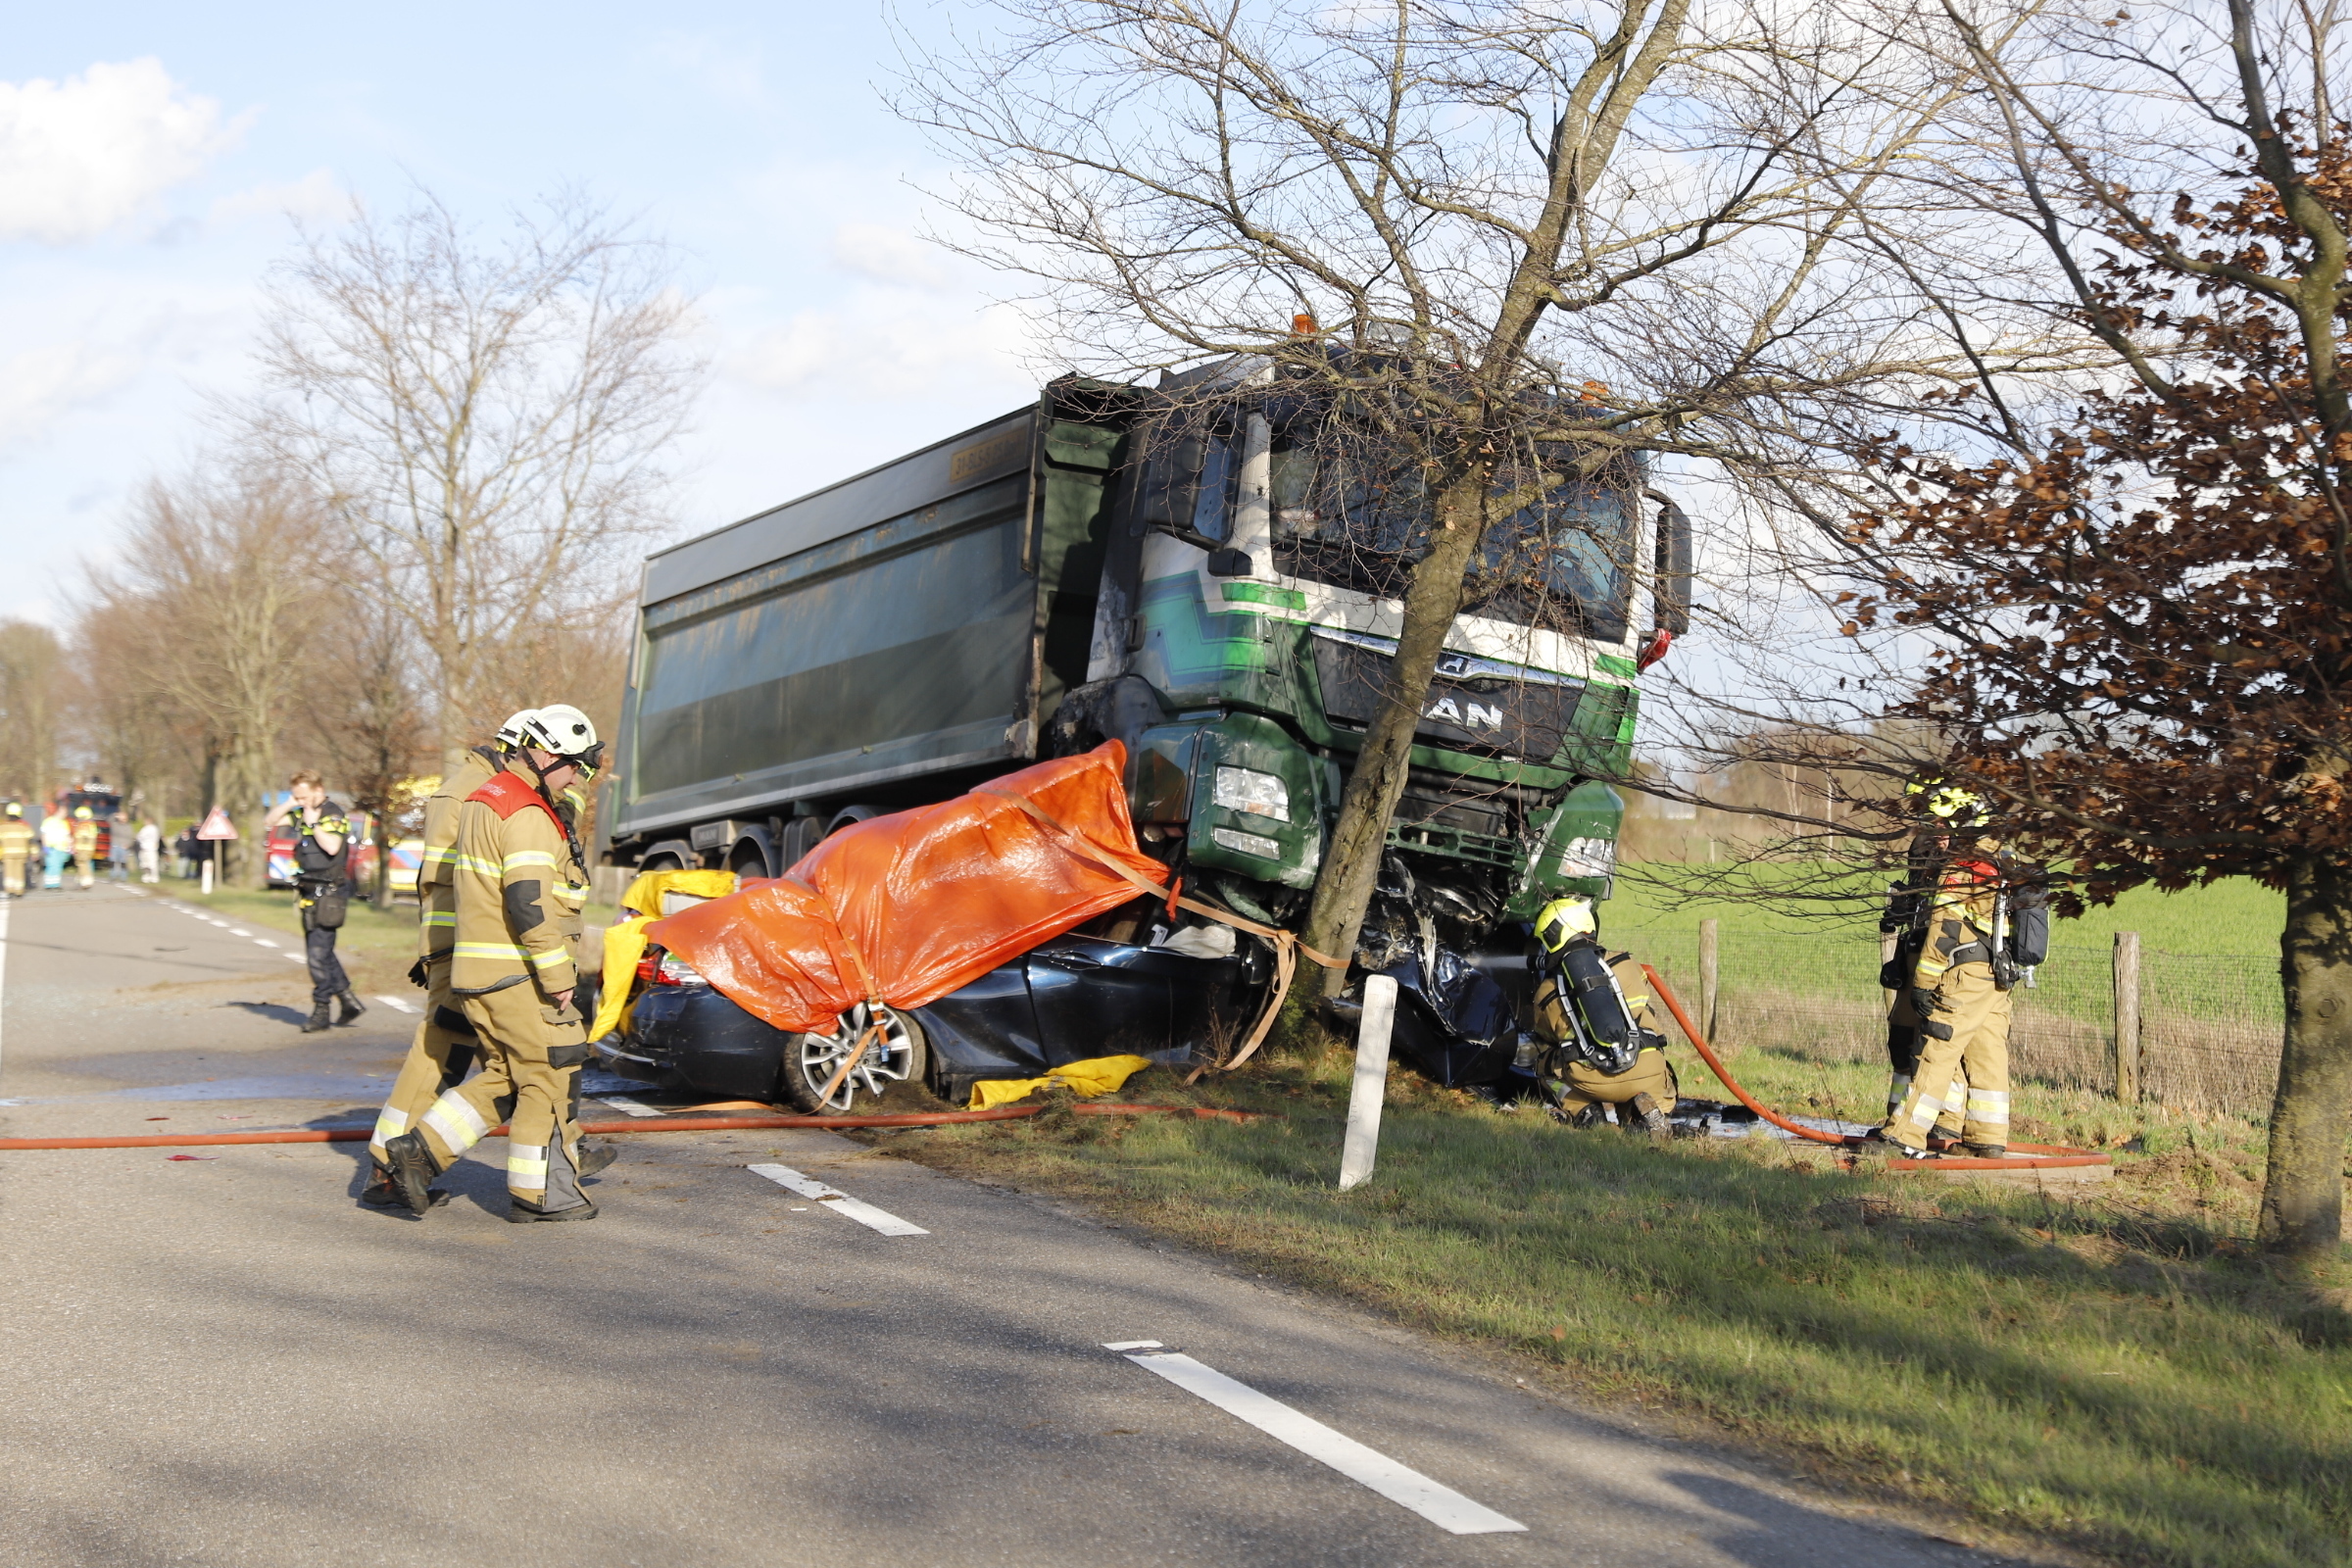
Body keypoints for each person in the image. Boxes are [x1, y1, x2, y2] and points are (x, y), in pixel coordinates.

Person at [382, 706, 611, 1222]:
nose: (578, 778)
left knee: (506, 1075)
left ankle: (416, 1154)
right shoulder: (525, 813)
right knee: (551, 1072)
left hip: (481, 972)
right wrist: (557, 980)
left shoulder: (486, 798)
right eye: (576, 765)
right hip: (517, 972)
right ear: (548, 752)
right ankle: (544, 1196)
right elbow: (528, 902)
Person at [363, 710, 537, 1206]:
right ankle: (392, 1169)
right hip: (467, 950)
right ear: (514, 749)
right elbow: (455, 883)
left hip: (461, 947)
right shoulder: (475, 793)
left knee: (486, 1056)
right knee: (453, 1055)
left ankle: (562, 1146)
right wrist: (450, 954)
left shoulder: (473, 786)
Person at [1874, 822, 2018, 1160]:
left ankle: (1904, 1137)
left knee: (1935, 1047)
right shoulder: (2005, 857)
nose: (1939, 837)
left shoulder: (1963, 865)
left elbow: (1945, 928)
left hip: (1963, 972)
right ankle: (1987, 1139)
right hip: (1997, 973)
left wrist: (1923, 983)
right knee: (1987, 1053)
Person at [1530, 896, 1678, 1135]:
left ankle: (1586, 1112)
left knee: (1543, 1063)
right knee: (1647, 1020)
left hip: (1591, 1080)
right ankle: (1644, 1110)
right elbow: (1642, 996)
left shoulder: (1547, 991)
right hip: (1646, 1071)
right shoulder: (1626, 963)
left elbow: (1543, 1032)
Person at [266, 772, 368, 1034]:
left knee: (317, 954)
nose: (300, 801)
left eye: (303, 796)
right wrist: (290, 805)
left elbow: (332, 847)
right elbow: (269, 821)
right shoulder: (300, 811)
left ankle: (321, 1009)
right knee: (321, 950)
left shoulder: (333, 815)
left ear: (318, 789)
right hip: (308, 892)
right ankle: (347, 1000)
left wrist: (314, 824)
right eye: (296, 796)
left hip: (330, 893)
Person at [0, 804, 32, 897]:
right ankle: (19, 891)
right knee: (19, 871)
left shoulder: (2, 827)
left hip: (8, 854)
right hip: (21, 854)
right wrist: (33, 852)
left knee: (9, 871)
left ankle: (10, 890)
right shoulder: (24, 827)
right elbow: (30, 840)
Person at [39, 806, 70, 890]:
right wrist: (45, 846)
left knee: (58, 867)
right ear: (59, 811)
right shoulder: (48, 821)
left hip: (61, 849)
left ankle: (56, 884)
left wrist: (68, 848)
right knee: (52, 866)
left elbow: (67, 836)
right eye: (64, 812)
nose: (65, 814)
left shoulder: (64, 823)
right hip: (51, 848)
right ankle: (49, 884)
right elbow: (43, 835)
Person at [70, 806, 99, 890]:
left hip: (81, 848)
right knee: (85, 864)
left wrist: (74, 847)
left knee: (82, 864)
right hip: (89, 849)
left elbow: (80, 837)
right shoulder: (92, 825)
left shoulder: (82, 826)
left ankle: (86, 881)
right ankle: (81, 879)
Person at [136, 819, 162, 884]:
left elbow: (156, 838)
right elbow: (139, 837)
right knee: (144, 864)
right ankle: (146, 877)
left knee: (153, 864)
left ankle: (154, 877)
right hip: (144, 849)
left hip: (151, 849)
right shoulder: (144, 829)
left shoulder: (154, 829)